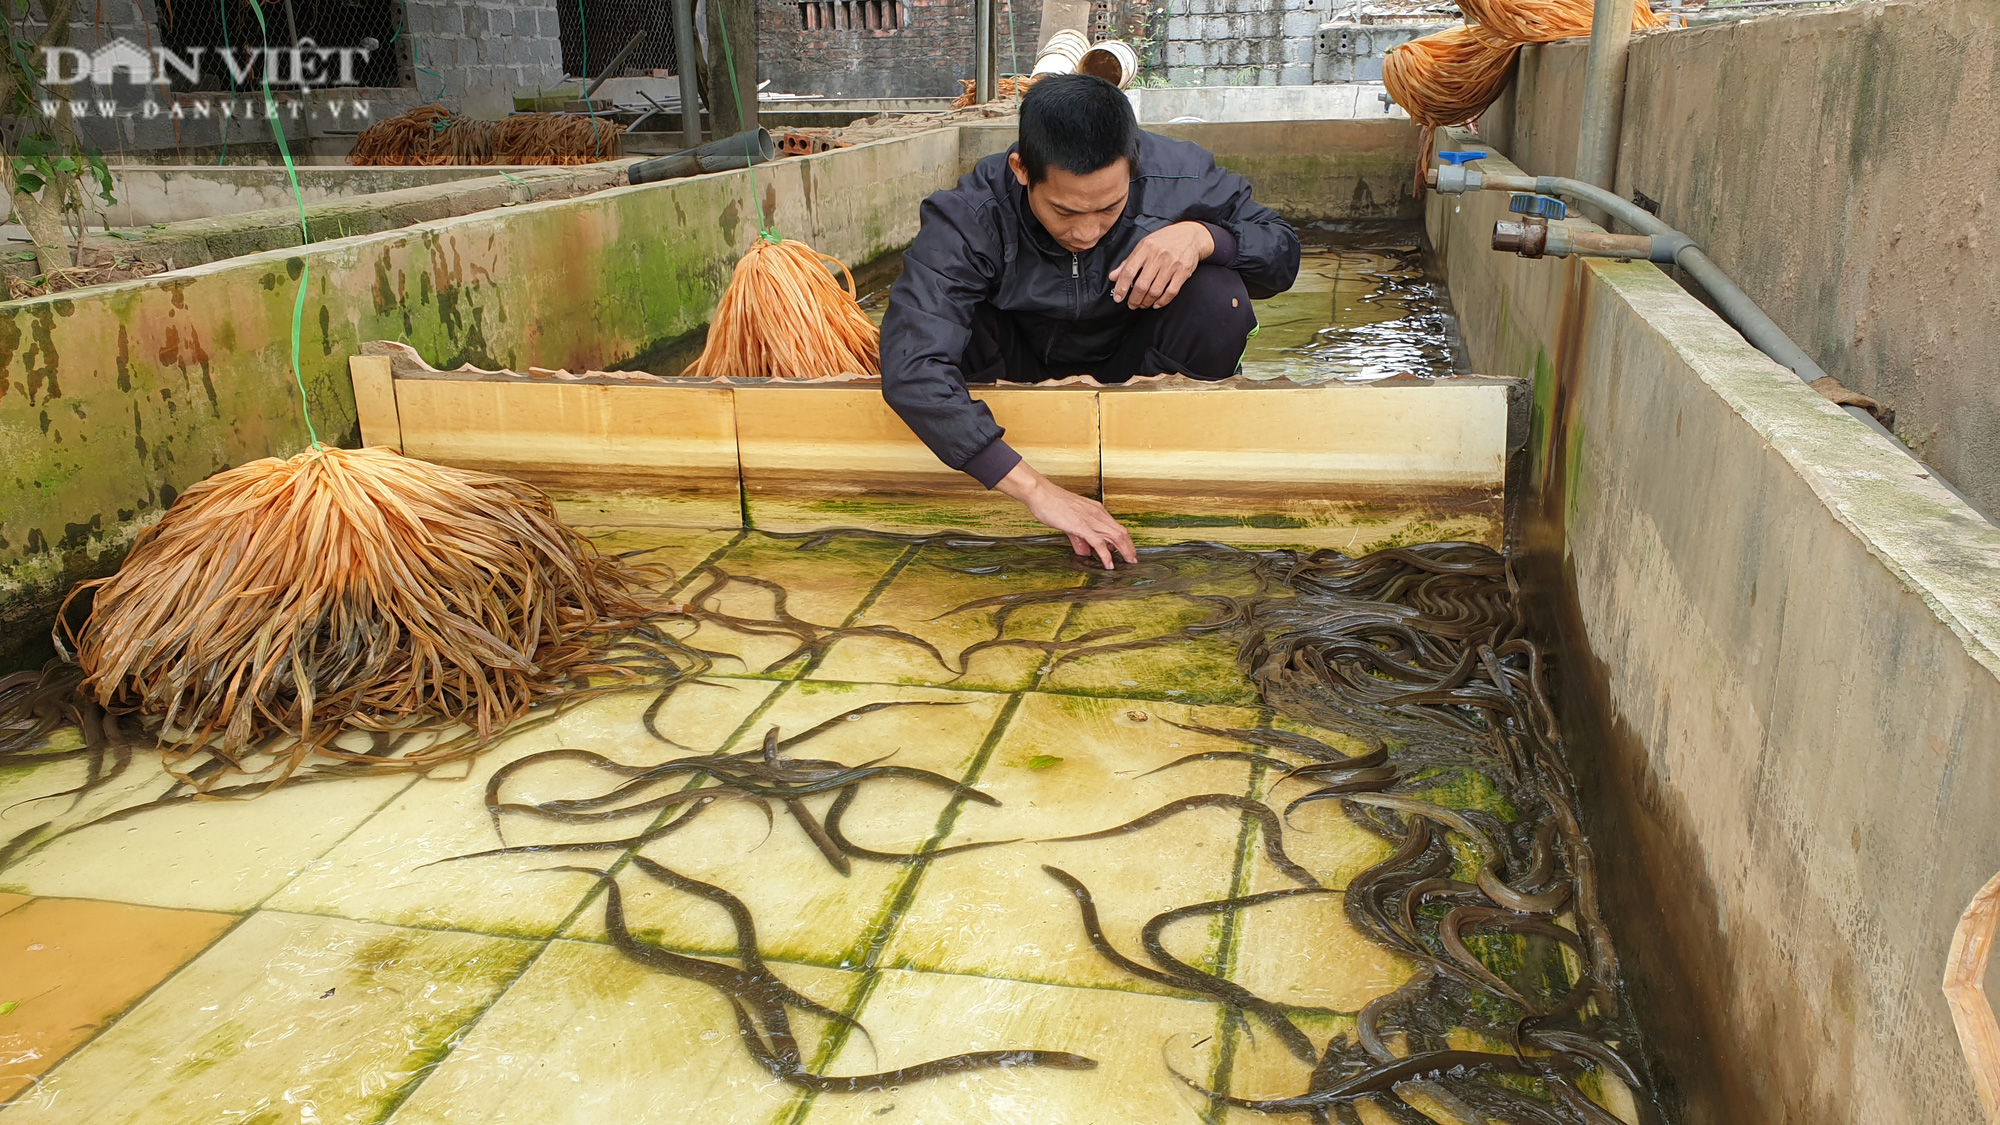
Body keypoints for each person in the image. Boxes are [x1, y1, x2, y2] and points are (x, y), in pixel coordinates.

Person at [880, 73, 1301, 569]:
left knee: (1219, 294)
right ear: (1021, 169)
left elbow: (1283, 253)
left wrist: (1204, 237)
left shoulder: (1182, 175)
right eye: (1063, 210)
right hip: (1016, 362)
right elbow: (913, 365)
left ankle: (1163, 458)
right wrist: (1037, 492)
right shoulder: (970, 213)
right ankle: (994, 453)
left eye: (1109, 208)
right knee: (935, 328)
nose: (1085, 231)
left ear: (1134, 163)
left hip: (1137, 356)